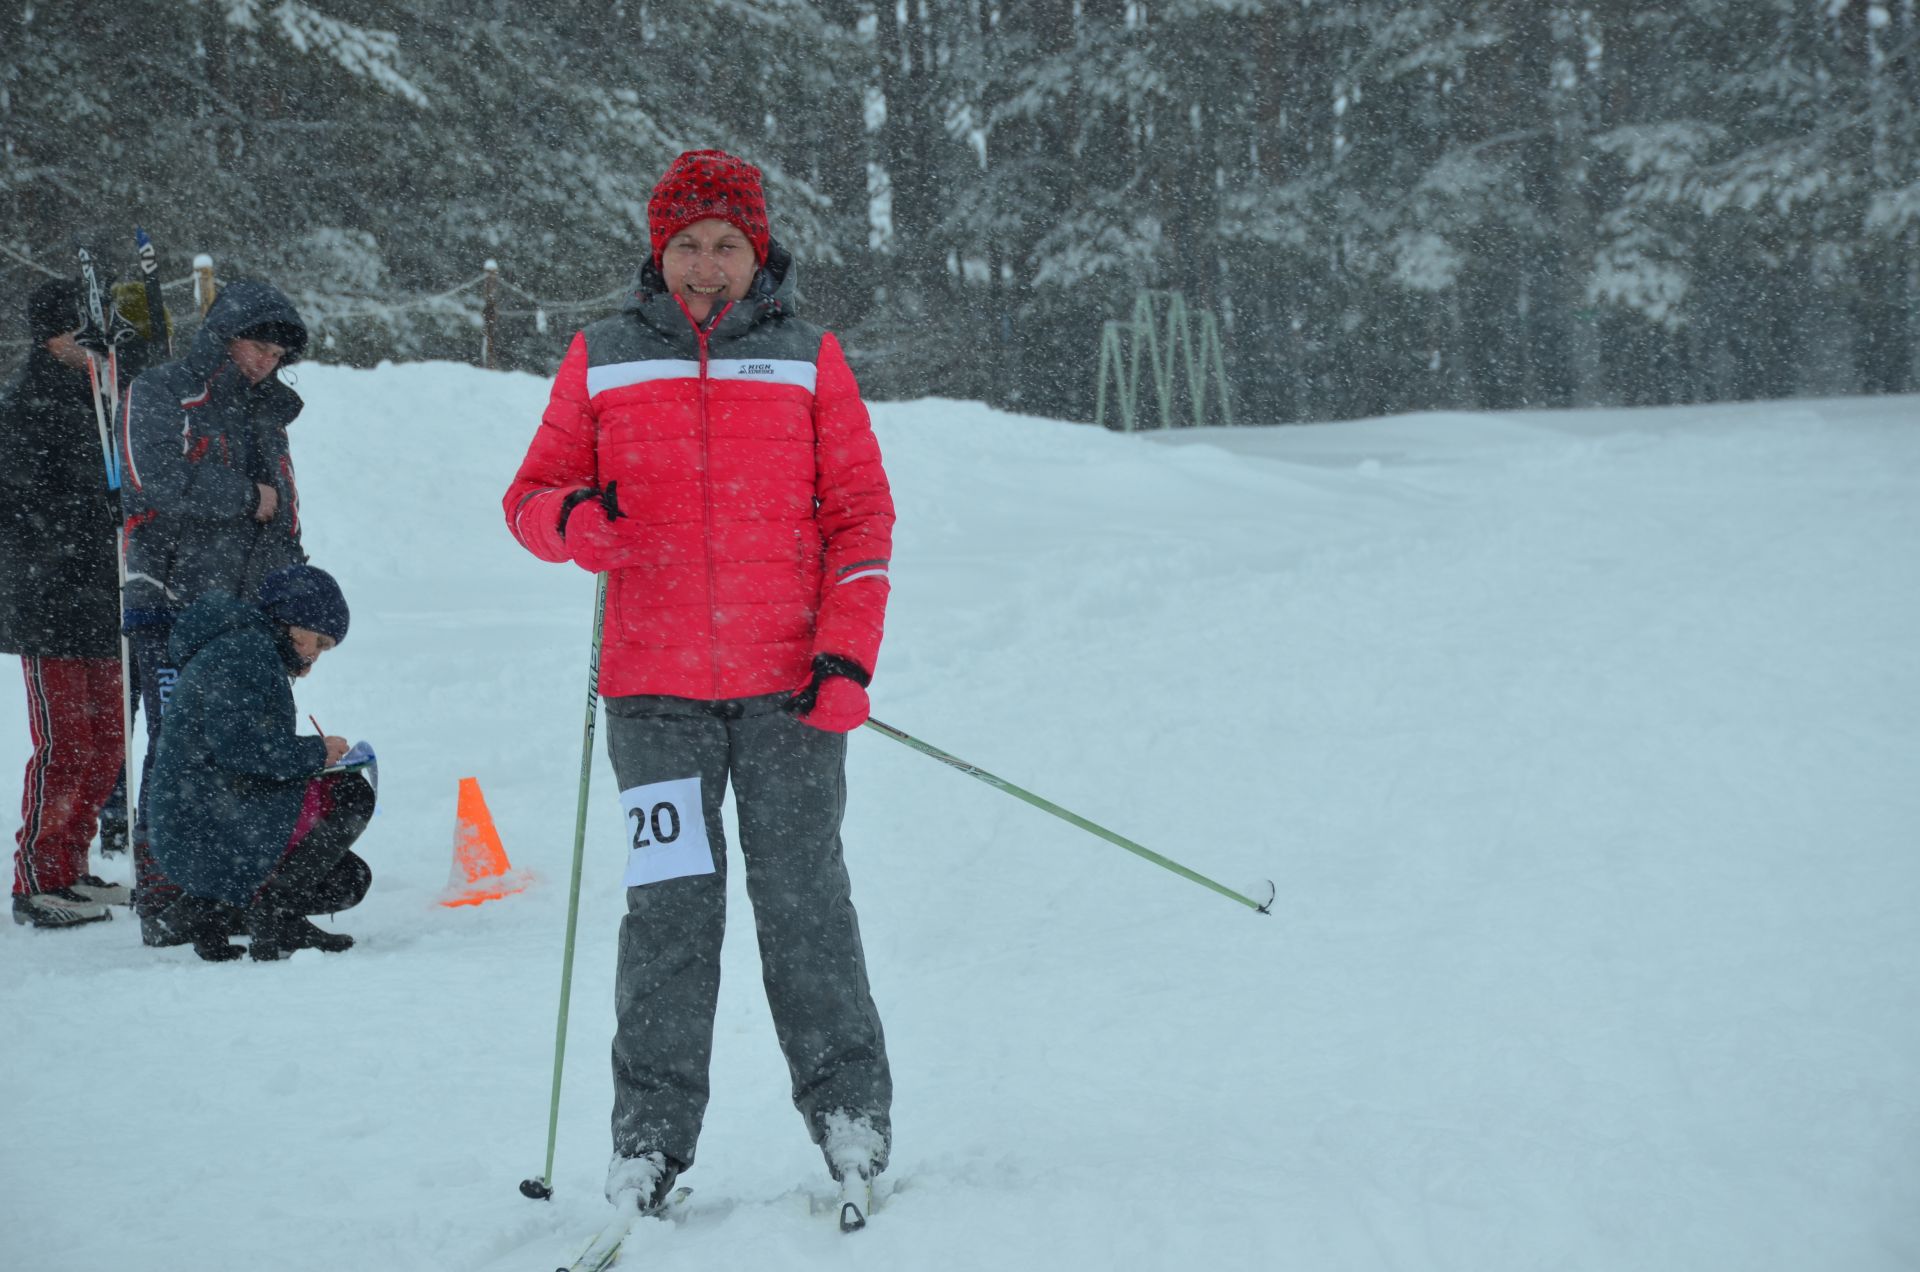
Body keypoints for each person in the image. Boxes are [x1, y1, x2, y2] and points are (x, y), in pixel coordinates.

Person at [503, 148, 896, 1215]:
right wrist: (573, 523)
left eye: (727, 245)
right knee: (669, 918)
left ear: (758, 250)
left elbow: (861, 520)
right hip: (654, 702)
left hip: (792, 699)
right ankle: (650, 1141)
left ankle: (849, 1115)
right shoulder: (605, 355)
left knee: (806, 906)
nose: (707, 266)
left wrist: (847, 655)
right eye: (687, 246)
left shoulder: (811, 358)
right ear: (659, 250)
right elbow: (532, 496)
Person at [119, 279, 311, 945]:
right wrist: (245, 495)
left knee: (247, 752)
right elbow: (154, 480)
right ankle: (165, 897)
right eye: (258, 345)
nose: (266, 361)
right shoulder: (162, 390)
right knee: (177, 753)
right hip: (171, 603)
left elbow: (282, 513)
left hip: (249, 610)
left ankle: (227, 890)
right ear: (224, 332)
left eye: (277, 354)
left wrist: (294, 602)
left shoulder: (267, 412)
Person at [146, 564, 373, 963]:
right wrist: (316, 753)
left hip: (206, 818)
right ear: (290, 621)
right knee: (352, 795)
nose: (316, 656)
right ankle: (275, 915)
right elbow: (242, 749)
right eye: (317, 642)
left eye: (325, 649)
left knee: (345, 877)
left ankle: (213, 913)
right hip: (209, 826)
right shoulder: (244, 653)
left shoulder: (244, 648)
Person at [1, 278, 133, 928]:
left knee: (108, 742)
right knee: (68, 744)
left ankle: (72, 866)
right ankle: (37, 876)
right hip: (49, 600)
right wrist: (89, 506)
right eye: (76, 338)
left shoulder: (103, 398)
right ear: (49, 337)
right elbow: (25, 503)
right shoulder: (27, 404)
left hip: (101, 601)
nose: (88, 351)